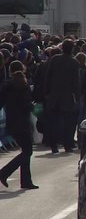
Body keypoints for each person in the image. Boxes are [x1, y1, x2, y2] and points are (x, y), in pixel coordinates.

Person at [0, 60, 38, 189]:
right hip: (22, 122)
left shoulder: (7, 86)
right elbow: (26, 105)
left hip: (11, 121)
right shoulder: (24, 86)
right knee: (27, 151)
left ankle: (26, 181)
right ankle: (4, 172)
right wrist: (31, 107)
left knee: (26, 150)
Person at [44, 39, 80, 153]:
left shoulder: (55, 59)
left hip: (54, 95)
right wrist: (77, 97)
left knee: (53, 122)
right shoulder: (74, 62)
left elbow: (48, 76)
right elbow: (76, 82)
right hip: (67, 96)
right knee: (68, 123)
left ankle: (54, 144)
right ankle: (67, 144)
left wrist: (46, 93)